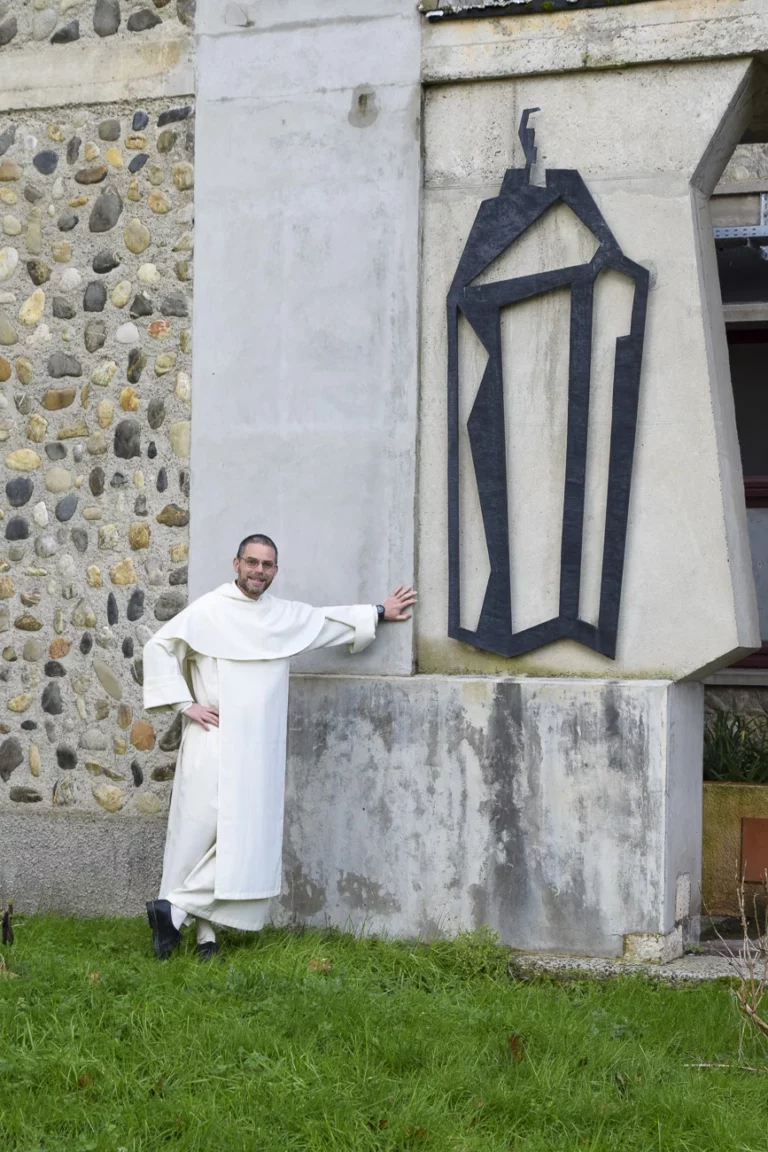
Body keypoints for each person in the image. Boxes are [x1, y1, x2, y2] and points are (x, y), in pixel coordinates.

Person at [143, 533, 417, 960]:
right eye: (251, 562)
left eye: (267, 565)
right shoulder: (209, 610)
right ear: (236, 563)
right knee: (199, 839)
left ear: (275, 570)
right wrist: (185, 704)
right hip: (212, 743)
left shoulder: (282, 617)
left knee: (246, 838)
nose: (258, 571)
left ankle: (176, 916)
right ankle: (202, 935)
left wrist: (380, 611)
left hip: (258, 749)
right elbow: (158, 646)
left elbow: (328, 623)